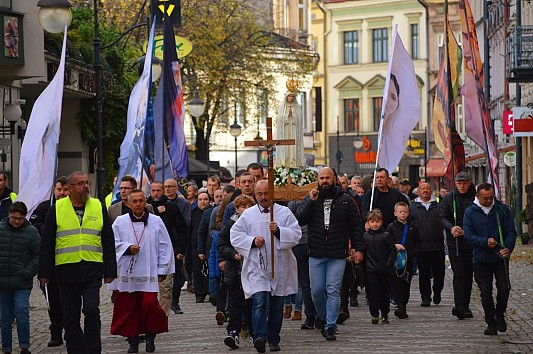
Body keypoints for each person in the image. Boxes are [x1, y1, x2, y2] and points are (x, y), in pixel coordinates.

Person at [39, 171, 117, 354]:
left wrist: (110, 270)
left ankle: (93, 349)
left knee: (91, 310)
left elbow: (108, 239)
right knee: (70, 317)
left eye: (86, 182)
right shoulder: (57, 209)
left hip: (92, 268)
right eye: (80, 183)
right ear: (70, 188)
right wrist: (44, 272)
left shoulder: (97, 206)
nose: (86, 186)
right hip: (66, 270)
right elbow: (47, 243)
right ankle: (75, 350)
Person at [231, 180, 302, 353]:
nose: (263, 197)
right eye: (260, 194)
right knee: (260, 302)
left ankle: (273, 338)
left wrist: (279, 232)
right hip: (257, 267)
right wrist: (253, 242)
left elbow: (296, 234)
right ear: (255, 195)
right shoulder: (248, 215)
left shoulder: (284, 213)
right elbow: (235, 235)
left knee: (277, 305)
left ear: (272, 194)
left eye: (266, 193)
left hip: (279, 266)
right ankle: (260, 337)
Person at [296, 167, 364, 341]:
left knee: (333, 289)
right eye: (322, 178)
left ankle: (331, 325)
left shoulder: (346, 200)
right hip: (316, 252)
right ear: (317, 180)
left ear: (335, 179)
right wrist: (311, 201)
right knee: (317, 291)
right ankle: (323, 316)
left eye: (328, 177)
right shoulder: (312, 198)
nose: (324, 181)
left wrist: (358, 248)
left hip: (337, 254)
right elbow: (300, 219)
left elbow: (356, 226)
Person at [109, 189, 174, 353]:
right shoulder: (119, 222)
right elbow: (111, 244)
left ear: (146, 202)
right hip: (127, 274)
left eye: (141, 201)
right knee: (129, 309)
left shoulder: (156, 221)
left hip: (149, 272)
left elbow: (165, 246)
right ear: (129, 203)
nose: (138, 204)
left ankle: (151, 337)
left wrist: (163, 269)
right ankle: (133, 342)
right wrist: (126, 248)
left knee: (150, 306)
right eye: (135, 201)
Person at [463, 183, 517, 336]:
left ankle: (499, 313)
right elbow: (468, 235)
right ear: (477, 197)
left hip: (500, 257)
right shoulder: (470, 212)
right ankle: (490, 322)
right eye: (485, 198)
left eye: (491, 198)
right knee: (485, 291)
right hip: (480, 258)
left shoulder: (501, 209)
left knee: (504, 288)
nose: (488, 201)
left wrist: (508, 247)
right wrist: (484, 241)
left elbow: (511, 231)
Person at [29, 176, 69, 347]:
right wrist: (48, 229)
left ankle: (70, 329)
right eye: (59, 189)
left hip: (68, 261)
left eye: (65, 190)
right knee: (52, 300)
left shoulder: (73, 209)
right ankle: (56, 332)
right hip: (49, 262)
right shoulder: (45, 207)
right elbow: (34, 225)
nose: (61, 193)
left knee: (68, 300)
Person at [0, 202, 40, 354]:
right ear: (9, 215)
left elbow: (37, 256)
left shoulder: (31, 233)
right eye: (13, 218)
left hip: (22, 281)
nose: (16, 221)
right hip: (3, 281)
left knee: (22, 312)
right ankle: (7, 348)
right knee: (5, 318)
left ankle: (24, 346)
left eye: (20, 218)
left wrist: (27, 272)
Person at [217, 195, 255, 349]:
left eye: (248, 206)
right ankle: (233, 332)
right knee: (236, 303)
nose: (245, 210)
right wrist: (232, 254)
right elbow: (221, 244)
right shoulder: (231, 223)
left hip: (253, 269)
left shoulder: (256, 223)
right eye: (242, 207)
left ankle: (254, 332)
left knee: (253, 303)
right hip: (236, 270)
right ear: (236, 209)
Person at [147, 181, 188, 316]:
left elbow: (182, 229)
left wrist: (181, 249)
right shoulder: (145, 208)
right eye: (153, 191)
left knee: (168, 284)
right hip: (148, 252)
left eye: (158, 190)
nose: (156, 193)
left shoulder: (172, 207)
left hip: (169, 250)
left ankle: (165, 313)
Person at [439, 171, 476, 320]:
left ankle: (465, 304)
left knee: (469, 274)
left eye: (464, 183)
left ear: (469, 183)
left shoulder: (475, 198)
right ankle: (459, 305)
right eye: (459, 183)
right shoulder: (449, 198)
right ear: (455, 183)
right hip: (455, 243)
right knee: (459, 273)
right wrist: (451, 228)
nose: (461, 186)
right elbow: (442, 217)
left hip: (472, 242)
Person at [410, 183, 445, 307]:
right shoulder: (412, 206)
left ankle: (437, 292)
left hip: (437, 245)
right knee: (423, 273)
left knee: (439, 272)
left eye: (427, 188)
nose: (425, 190)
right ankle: (425, 297)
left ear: (431, 191)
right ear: (418, 191)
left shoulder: (438, 205)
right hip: (421, 246)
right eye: (423, 189)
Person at [362, 209, 396, 324]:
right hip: (370, 269)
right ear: (368, 222)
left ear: (381, 222)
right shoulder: (365, 236)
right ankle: (374, 313)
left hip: (384, 269)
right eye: (372, 222)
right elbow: (364, 252)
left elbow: (392, 251)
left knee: (384, 292)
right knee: (372, 292)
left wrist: (388, 264)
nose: (375, 224)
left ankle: (385, 313)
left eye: (377, 221)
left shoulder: (386, 236)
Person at [386, 202, 418, 319]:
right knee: (396, 283)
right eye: (400, 212)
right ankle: (399, 305)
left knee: (406, 283)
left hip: (408, 259)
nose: (403, 214)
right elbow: (387, 242)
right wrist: (395, 246)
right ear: (395, 213)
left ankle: (403, 305)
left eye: (405, 212)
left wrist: (414, 253)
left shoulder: (412, 226)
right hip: (395, 260)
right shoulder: (391, 227)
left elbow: (416, 242)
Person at [275, 86, 306, 169]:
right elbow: (279, 120)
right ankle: (283, 162)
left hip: (294, 131)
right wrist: (287, 116)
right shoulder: (283, 107)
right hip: (285, 132)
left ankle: (295, 162)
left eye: (292, 96)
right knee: (285, 147)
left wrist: (293, 117)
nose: (291, 98)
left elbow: (299, 120)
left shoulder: (297, 107)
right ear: (286, 97)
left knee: (294, 147)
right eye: (289, 96)